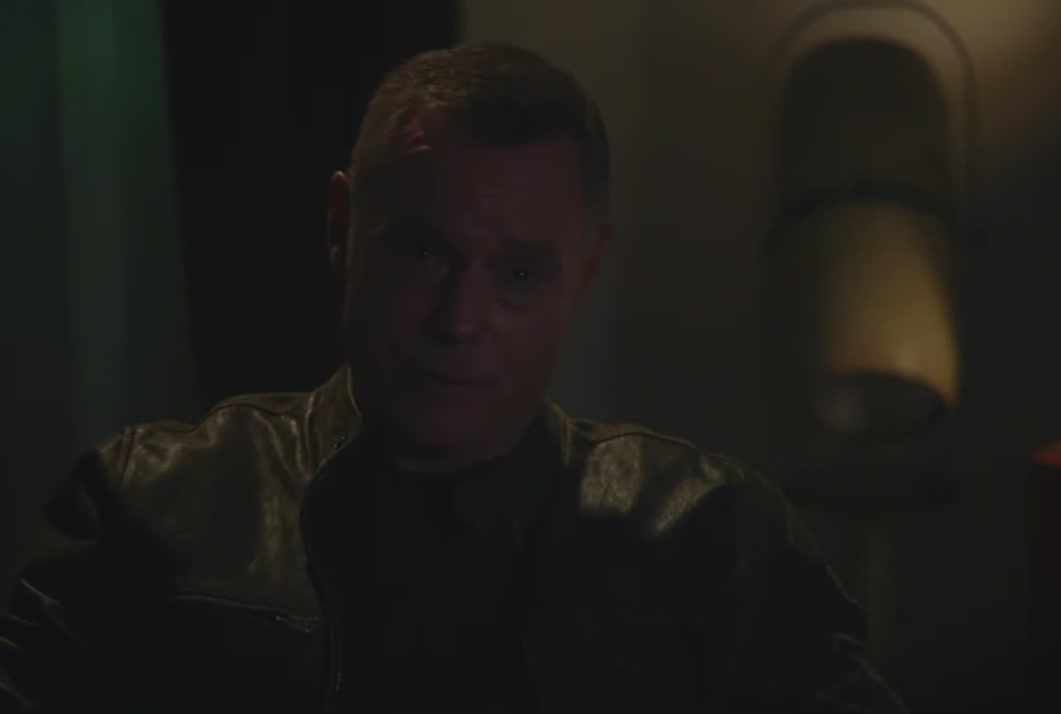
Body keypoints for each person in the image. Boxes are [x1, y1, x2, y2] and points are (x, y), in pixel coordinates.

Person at [0, 43, 903, 712]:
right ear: (341, 229)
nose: (459, 321)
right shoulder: (152, 508)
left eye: (519, 273)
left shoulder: (709, 540)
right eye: (425, 253)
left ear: (587, 269)